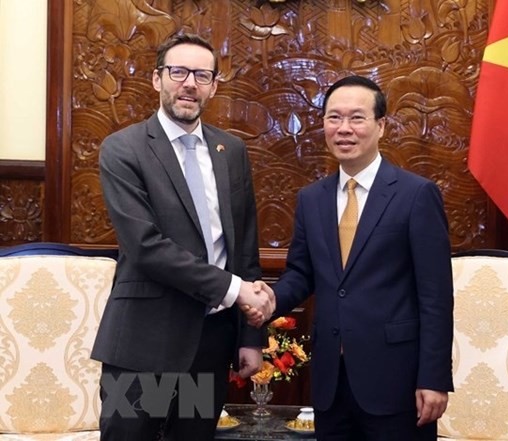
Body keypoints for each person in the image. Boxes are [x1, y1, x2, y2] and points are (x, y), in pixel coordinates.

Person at [91, 33, 274, 441]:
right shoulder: (124, 150)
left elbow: (243, 246)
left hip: (208, 344)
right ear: (157, 80)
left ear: (213, 86)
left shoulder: (232, 151)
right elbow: (145, 247)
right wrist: (236, 290)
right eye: (179, 72)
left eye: (202, 75)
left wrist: (250, 337)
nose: (190, 83)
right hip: (144, 344)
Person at [259, 75, 454, 440]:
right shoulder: (311, 198)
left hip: (397, 379)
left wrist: (434, 377)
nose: (343, 129)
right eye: (334, 118)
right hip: (331, 381)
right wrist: (267, 300)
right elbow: (301, 274)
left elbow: (436, 298)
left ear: (380, 125)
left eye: (356, 118)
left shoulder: (416, 195)